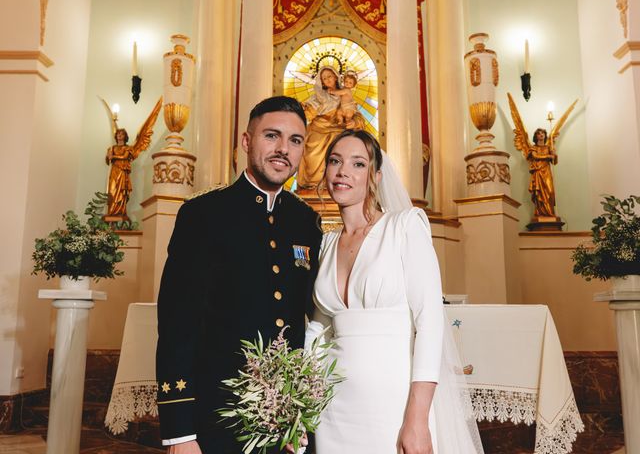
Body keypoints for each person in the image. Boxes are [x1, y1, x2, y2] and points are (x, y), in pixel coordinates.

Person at [156, 96, 323, 454]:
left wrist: (302, 415)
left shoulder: (305, 222)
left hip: (288, 424)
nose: (283, 149)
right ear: (246, 142)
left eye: (295, 140)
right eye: (271, 136)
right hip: (216, 418)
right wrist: (180, 433)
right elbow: (176, 326)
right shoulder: (203, 214)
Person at [306, 130, 484, 454]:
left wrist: (417, 417)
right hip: (332, 407)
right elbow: (318, 330)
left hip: (394, 402)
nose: (343, 171)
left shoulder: (404, 226)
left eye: (357, 164)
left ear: (375, 176)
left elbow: (429, 320)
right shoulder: (326, 243)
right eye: (335, 161)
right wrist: (301, 403)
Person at [297, 66, 365, 190]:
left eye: (329, 76)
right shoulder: (318, 96)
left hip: (340, 128)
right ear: (321, 82)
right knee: (312, 149)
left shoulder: (345, 94)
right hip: (319, 127)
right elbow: (309, 113)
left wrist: (354, 123)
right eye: (324, 78)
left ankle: (341, 184)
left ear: (335, 77)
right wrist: (303, 109)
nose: (327, 80)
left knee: (344, 144)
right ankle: (314, 185)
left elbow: (356, 116)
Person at [527, 128, 558, 218]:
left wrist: (555, 155)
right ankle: (540, 213)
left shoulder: (548, 148)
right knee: (539, 193)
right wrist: (548, 156)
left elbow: (554, 162)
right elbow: (535, 156)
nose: (541, 135)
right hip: (538, 172)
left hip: (547, 172)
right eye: (539, 134)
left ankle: (550, 213)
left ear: (545, 135)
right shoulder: (533, 148)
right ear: (536, 136)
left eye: (543, 133)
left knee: (550, 192)